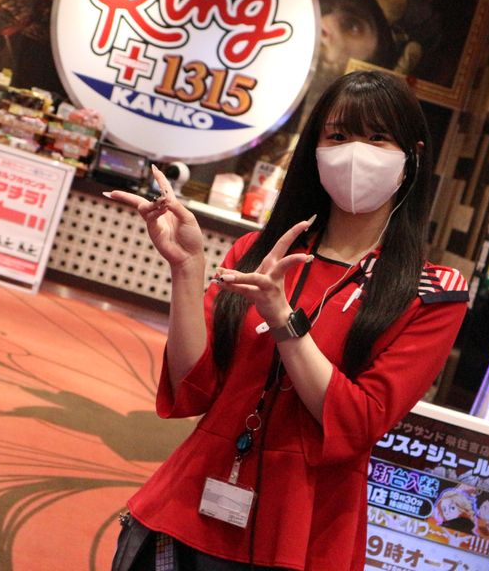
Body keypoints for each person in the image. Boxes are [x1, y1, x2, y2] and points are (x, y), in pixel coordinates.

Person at [106, 70, 469, 570]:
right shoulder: (258, 252)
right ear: (314, 150)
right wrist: (187, 270)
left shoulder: (431, 293)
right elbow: (193, 387)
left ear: (414, 155)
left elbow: (358, 421)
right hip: (187, 511)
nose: (355, 152)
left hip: (304, 531)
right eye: (338, 136)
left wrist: (285, 322)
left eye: (377, 137)